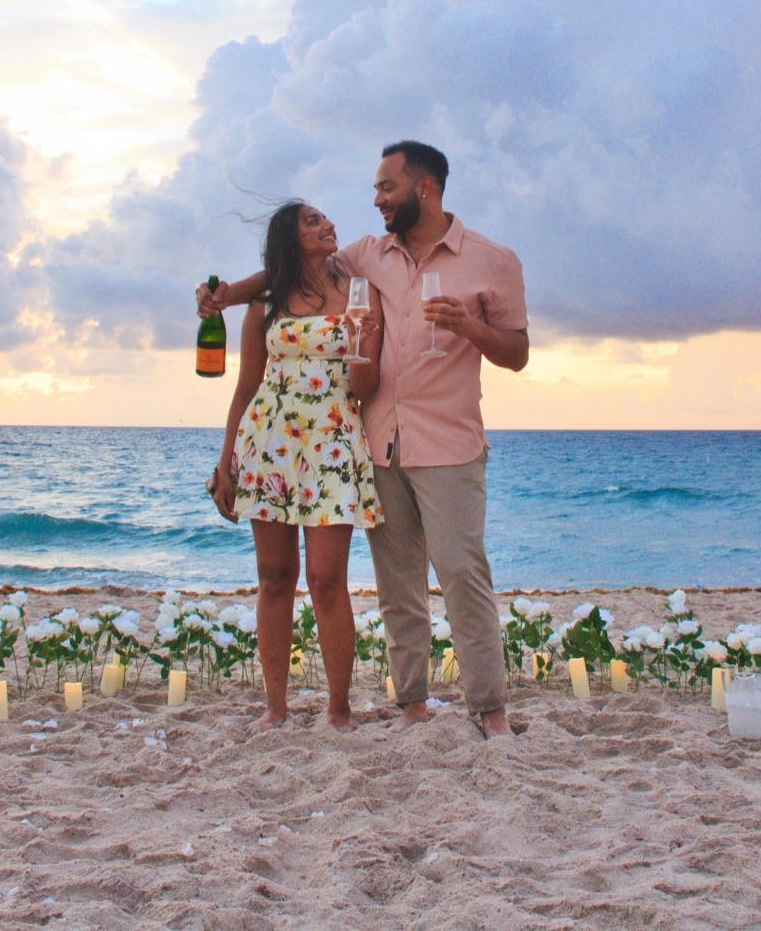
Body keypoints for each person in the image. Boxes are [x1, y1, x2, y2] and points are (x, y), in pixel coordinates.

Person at [200, 141, 528, 739]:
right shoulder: (364, 258)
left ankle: (485, 710)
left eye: (385, 188)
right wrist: (224, 297)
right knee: (389, 584)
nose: (372, 201)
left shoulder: (487, 260)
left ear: (422, 187)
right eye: (375, 190)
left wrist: (461, 327)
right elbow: (272, 298)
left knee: (457, 574)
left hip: (421, 442)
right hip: (346, 443)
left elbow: (515, 354)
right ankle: (409, 707)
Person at [211, 201, 384, 732]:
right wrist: (225, 462)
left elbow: (365, 388)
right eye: (313, 220)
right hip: (270, 442)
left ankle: (338, 709)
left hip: (333, 442)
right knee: (274, 576)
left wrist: (360, 342)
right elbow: (246, 386)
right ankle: (275, 708)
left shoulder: (360, 292)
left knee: (328, 580)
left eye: (326, 218)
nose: (328, 224)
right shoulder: (265, 301)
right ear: (292, 236)